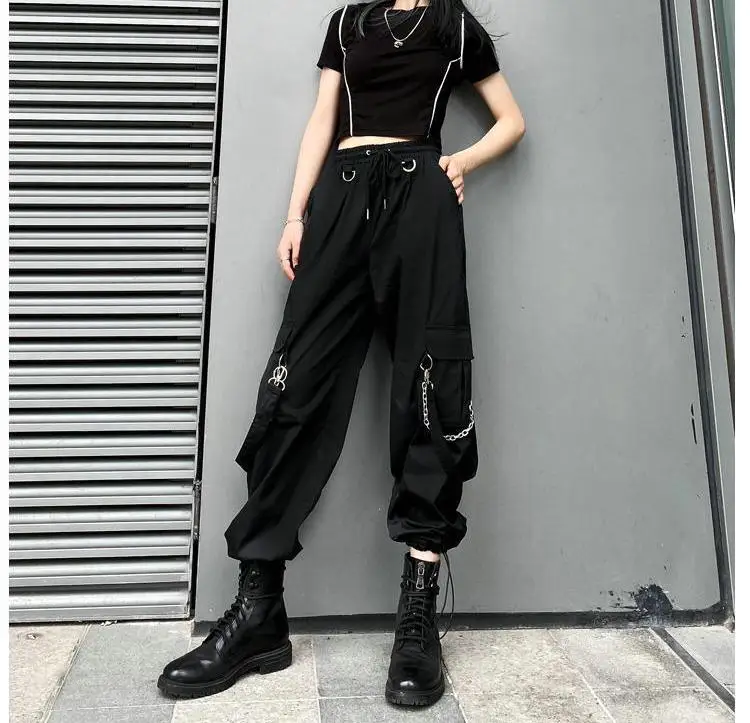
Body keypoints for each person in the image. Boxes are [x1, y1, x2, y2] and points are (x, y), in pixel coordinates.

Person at [158, 0, 524, 708]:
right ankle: (259, 612)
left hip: (422, 202)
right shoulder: (349, 22)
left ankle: (416, 620)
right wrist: (295, 213)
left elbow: (512, 120)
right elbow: (323, 118)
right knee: (295, 386)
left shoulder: (454, 27)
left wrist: (462, 162)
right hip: (342, 198)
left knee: (432, 386)